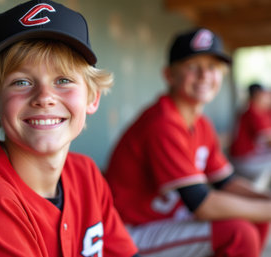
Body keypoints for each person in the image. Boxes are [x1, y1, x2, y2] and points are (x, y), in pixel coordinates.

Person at [0, 1, 139, 256]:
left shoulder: (86, 176)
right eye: (22, 81)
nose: (44, 97)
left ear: (92, 98)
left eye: (63, 80)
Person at [104, 27, 271, 257]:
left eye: (212, 67)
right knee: (237, 232)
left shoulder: (200, 123)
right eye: (193, 66)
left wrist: (266, 200)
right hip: (130, 231)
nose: (204, 75)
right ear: (169, 75)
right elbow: (202, 205)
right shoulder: (162, 121)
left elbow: (226, 182)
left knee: (256, 217)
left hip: (169, 219)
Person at [230, 83, 271, 187]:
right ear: (257, 95)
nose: (268, 97)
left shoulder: (261, 111)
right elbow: (268, 141)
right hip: (243, 159)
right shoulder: (252, 111)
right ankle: (256, 194)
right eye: (266, 94)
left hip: (251, 155)